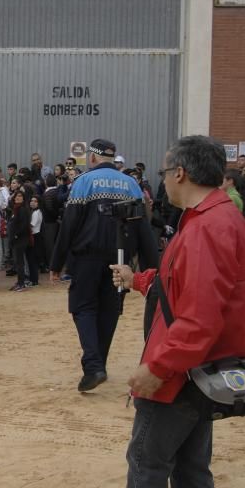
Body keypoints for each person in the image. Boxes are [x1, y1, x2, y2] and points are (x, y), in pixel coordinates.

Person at [110, 135, 245, 488]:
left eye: (164, 172)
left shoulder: (205, 228)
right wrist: (139, 280)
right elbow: (185, 286)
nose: (162, 181)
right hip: (205, 371)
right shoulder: (221, 218)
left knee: (147, 465)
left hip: (180, 376)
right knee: (192, 468)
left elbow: (200, 318)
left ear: (180, 172)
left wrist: (158, 367)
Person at [49, 138, 158, 392]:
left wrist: (57, 262)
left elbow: (69, 225)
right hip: (120, 260)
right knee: (110, 309)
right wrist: (152, 267)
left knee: (83, 306)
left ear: (94, 158)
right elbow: (143, 227)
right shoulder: (131, 184)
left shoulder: (84, 182)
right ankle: (99, 364)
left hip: (87, 257)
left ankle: (93, 364)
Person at [7, 190, 31, 292]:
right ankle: (19, 282)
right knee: (17, 262)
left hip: (21, 239)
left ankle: (21, 283)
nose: (18, 197)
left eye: (20, 196)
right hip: (15, 239)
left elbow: (24, 225)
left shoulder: (22, 209)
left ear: (23, 198)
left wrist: (16, 235)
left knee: (20, 262)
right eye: (16, 196)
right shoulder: (15, 209)